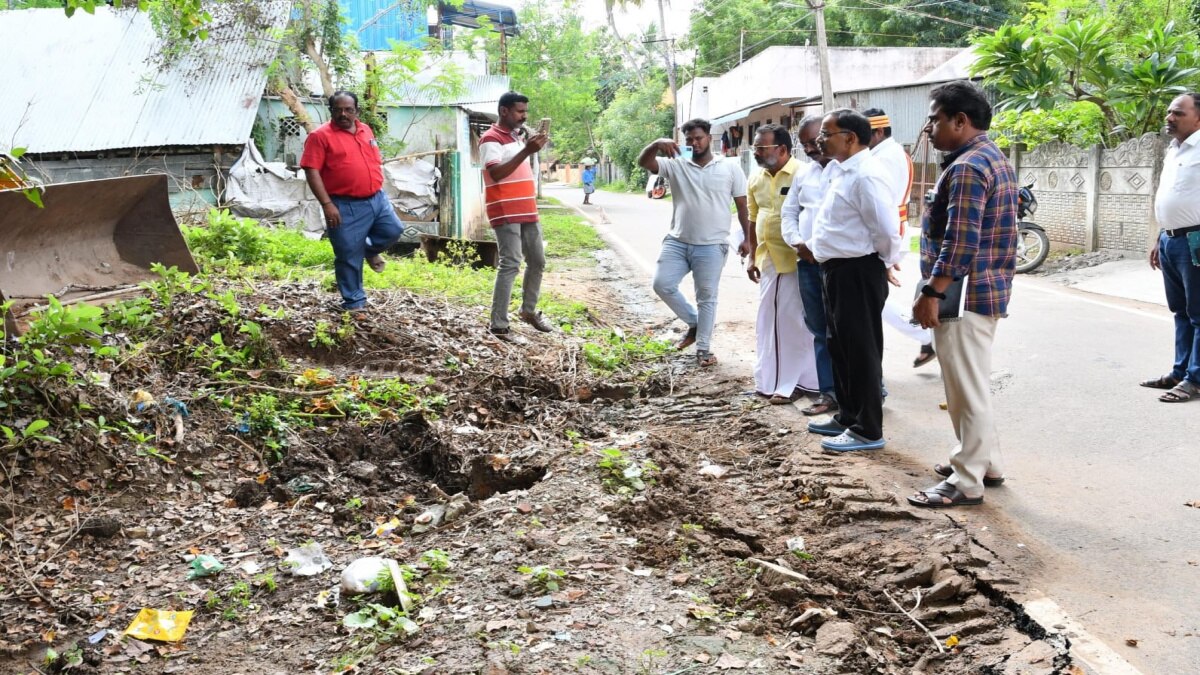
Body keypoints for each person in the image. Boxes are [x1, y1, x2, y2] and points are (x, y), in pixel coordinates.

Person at [907, 81, 1019, 508]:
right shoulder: (988, 157)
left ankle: (966, 479)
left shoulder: (969, 166)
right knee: (971, 384)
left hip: (963, 294)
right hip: (980, 290)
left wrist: (932, 291)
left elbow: (960, 241)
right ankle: (983, 462)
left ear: (960, 121)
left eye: (934, 119)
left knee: (965, 388)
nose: (929, 128)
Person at [798, 109, 902, 452]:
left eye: (826, 134)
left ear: (850, 138)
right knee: (838, 345)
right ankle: (847, 415)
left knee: (861, 351)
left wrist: (885, 262)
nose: (819, 140)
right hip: (835, 269)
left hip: (858, 270)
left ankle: (868, 429)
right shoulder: (840, 171)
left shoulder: (866, 175)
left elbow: (885, 229)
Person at [639, 119, 752, 367]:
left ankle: (703, 348)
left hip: (712, 245)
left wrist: (748, 238)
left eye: (698, 138)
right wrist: (656, 144)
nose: (694, 143)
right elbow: (644, 162)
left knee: (707, 298)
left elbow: (743, 205)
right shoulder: (677, 164)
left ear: (709, 138)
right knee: (662, 284)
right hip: (677, 241)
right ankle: (695, 322)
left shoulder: (729, 167)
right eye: (689, 139)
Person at [301, 90, 404, 313]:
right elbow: (311, 171)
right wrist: (327, 204)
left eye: (348, 109)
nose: (343, 114)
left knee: (393, 230)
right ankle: (354, 302)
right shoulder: (320, 136)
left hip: (376, 198)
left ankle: (368, 250)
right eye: (337, 110)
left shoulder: (366, 129)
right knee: (348, 254)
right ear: (331, 111)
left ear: (356, 110)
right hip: (343, 204)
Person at [746, 124, 818, 403]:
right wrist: (752, 255)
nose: (756, 152)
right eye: (755, 147)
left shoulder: (803, 173)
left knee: (796, 323)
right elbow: (753, 219)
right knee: (770, 322)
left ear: (783, 149)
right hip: (769, 261)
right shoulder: (756, 178)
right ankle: (774, 379)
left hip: (799, 260)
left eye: (761, 147)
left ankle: (793, 383)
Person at [863, 108, 936, 368]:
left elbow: (882, 207)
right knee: (872, 301)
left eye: (863, 134)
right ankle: (927, 335)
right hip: (890, 232)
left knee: (871, 301)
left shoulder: (885, 158)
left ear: (879, 131)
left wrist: (886, 252)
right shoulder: (887, 153)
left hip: (889, 232)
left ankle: (928, 334)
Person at [1142, 92, 1200, 403]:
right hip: (1170, 239)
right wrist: (1159, 238)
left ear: (1198, 118)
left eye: (1178, 112)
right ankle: (1180, 371)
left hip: (1196, 240)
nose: (1169, 117)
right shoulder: (1173, 150)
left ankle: (1196, 379)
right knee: (1180, 311)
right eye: (1169, 112)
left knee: (1199, 313)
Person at [480, 91, 552, 338]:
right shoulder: (490, 138)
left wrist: (528, 146)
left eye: (525, 112)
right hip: (505, 208)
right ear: (504, 111)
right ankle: (499, 324)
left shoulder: (516, 137)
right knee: (510, 263)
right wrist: (527, 151)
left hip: (526, 208)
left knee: (538, 261)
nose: (524, 116)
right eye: (520, 111)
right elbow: (497, 173)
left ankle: (528, 311)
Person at [782, 116, 838, 416]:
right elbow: (789, 212)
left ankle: (867, 389)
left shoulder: (848, 171)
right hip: (807, 261)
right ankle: (829, 393)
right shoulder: (804, 174)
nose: (809, 148)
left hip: (840, 263)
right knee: (819, 328)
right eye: (802, 144)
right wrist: (798, 243)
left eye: (814, 141)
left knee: (849, 331)